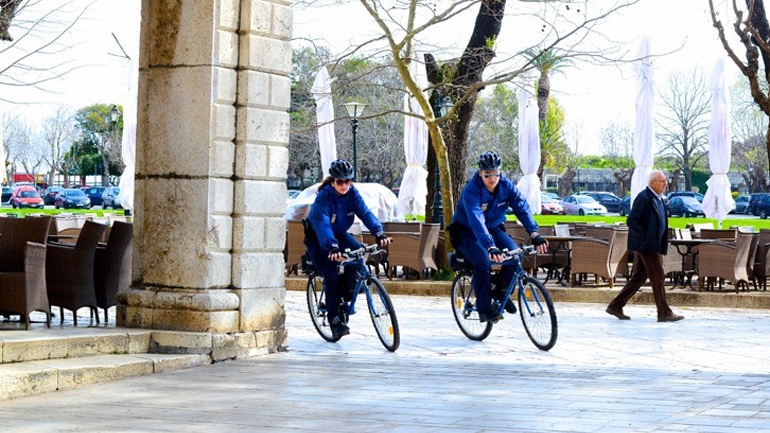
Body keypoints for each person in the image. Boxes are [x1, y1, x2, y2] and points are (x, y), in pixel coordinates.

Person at [448, 151, 549, 324]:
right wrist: (490, 246)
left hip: (493, 228)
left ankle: (501, 291)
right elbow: (476, 219)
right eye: (487, 174)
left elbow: (521, 207)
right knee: (483, 261)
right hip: (466, 231)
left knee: (515, 255)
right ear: (480, 172)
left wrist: (534, 233)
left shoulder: (506, 186)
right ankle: (484, 307)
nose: (492, 178)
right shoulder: (471, 191)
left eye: (496, 173)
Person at [303, 159, 392, 339]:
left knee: (358, 255)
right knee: (332, 273)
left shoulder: (353, 194)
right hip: (319, 239)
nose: (344, 185)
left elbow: (365, 213)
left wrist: (379, 232)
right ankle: (334, 318)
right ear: (333, 181)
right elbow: (322, 224)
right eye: (340, 182)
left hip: (340, 234)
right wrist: (332, 247)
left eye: (348, 181)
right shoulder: (324, 197)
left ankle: (346, 294)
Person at [606, 170, 684, 322]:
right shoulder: (644, 198)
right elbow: (632, 220)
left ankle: (616, 305)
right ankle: (664, 312)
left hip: (652, 244)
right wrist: (647, 236)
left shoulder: (659, 198)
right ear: (652, 183)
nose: (665, 184)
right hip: (646, 245)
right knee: (658, 276)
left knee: (640, 277)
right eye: (662, 181)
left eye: (665, 181)